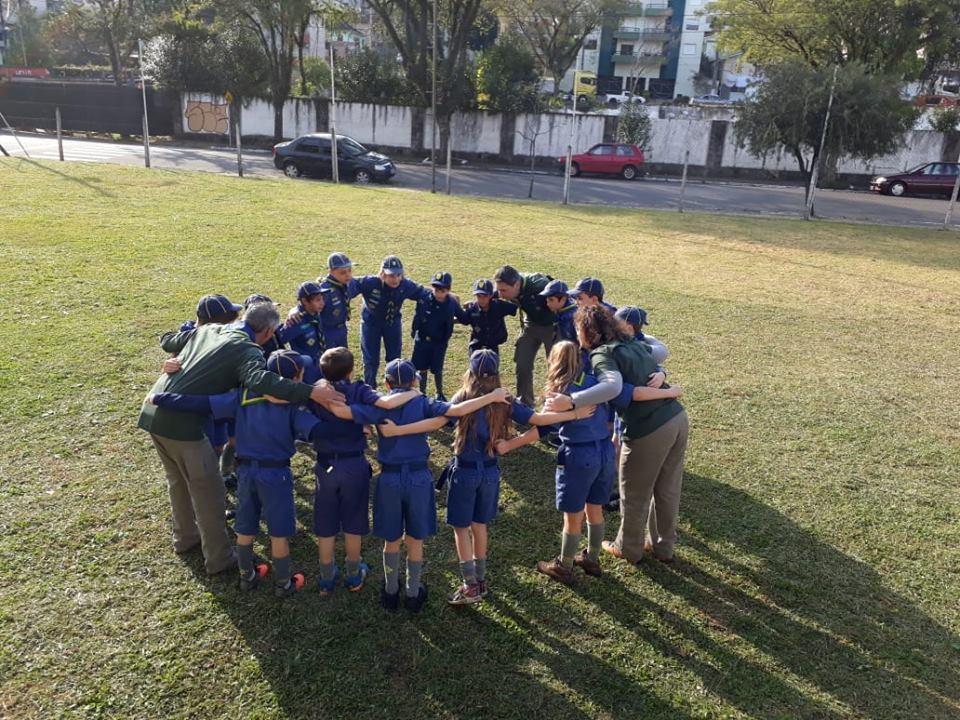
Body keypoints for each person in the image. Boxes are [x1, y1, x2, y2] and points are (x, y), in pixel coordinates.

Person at [138, 301, 343, 576]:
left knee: (177, 481)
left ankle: (185, 538)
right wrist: (310, 392)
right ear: (269, 332)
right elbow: (259, 379)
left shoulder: (209, 329)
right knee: (208, 492)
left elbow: (169, 341)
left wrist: (174, 357)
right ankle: (219, 559)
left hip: (152, 412)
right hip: (183, 426)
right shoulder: (247, 349)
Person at [322, 359, 510, 613]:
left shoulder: (378, 406)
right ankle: (413, 592)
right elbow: (456, 411)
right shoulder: (422, 402)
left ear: (387, 383)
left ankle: (390, 591)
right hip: (419, 479)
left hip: (389, 479)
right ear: (414, 382)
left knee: (391, 539)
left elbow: (342, 412)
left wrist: (322, 391)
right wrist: (490, 398)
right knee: (415, 539)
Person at [545, 306, 688, 564]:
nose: (577, 334)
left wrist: (571, 400)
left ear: (588, 331)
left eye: (579, 329)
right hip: (677, 419)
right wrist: (664, 376)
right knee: (667, 489)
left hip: (649, 427)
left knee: (634, 492)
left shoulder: (602, 354)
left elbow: (613, 386)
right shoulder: (631, 343)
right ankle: (663, 547)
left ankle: (629, 548)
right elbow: (661, 350)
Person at [308, 347, 421, 595]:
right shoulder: (358, 390)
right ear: (351, 371)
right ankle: (353, 574)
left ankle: (326, 577)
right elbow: (384, 402)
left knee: (326, 522)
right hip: (353, 463)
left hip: (325, 464)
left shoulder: (316, 392)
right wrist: (413, 392)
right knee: (353, 520)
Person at [356, 255, 432, 386]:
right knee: (370, 360)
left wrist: (446, 295)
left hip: (392, 324)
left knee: (394, 358)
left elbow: (424, 293)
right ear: (382, 274)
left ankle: (395, 387)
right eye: (391, 275)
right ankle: (369, 387)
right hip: (371, 324)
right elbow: (349, 283)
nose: (395, 279)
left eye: (398, 274)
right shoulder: (370, 283)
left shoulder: (405, 285)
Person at [493, 265, 555, 407]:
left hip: (552, 325)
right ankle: (525, 403)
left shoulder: (541, 285)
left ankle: (553, 404)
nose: (500, 295)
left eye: (504, 291)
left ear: (516, 284)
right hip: (531, 324)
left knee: (555, 365)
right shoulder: (507, 286)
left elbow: (562, 300)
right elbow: (489, 295)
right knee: (522, 363)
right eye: (499, 290)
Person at [411, 271, 460, 400]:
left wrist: (473, 309)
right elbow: (417, 313)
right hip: (422, 339)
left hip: (439, 342)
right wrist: (414, 329)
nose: (438, 293)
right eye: (436, 289)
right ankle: (422, 392)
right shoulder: (424, 299)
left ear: (448, 290)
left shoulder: (452, 303)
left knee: (437, 368)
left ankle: (439, 392)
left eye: (442, 290)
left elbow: (463, 316)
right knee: (421, 368)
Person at [277, 281, 330, 383]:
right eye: (318, 300)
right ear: (305, 301)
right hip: (305, 367)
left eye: (322, 299)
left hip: (319, 361)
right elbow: (280, 339)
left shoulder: (315, 313)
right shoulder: (296, 321)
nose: (322, 303)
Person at [455, 278, 517, 356]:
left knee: (492, 365)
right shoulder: (472, 309)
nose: (482, 299)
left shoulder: (498, 306)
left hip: (493, 343)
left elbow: (515, 306)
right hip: (476, 343)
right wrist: (456, 309)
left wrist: (498, 294)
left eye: (485, 295)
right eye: (479, 296)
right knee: (475, 364)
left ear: (491, 295)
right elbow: (463, 319)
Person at [317, 252, 360, 350]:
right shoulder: (324, 290)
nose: (348, 275)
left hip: (342, 329)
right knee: (330, 360)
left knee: (343, 357)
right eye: (343, 272)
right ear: (331, 271)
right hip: (327, 331)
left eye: (349, 270)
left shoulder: (347, 283)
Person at [539, 279, 578, 343]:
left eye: (551, 300)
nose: (547, 304)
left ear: (563, 299)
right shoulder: (561, 309)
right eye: (547, 300)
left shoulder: (571, 318)